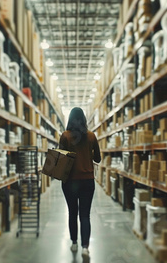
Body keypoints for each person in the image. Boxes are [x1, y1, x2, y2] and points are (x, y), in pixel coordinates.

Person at [58, 107, 101, 259]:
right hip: (87, 181)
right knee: (85, 215)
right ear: (83, 119)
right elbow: (98, 159)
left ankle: (74, 242)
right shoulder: (91, 136)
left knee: (72, 212)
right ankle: (85, 247)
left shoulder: (65, 136)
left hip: (70, 182)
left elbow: (60, 162)